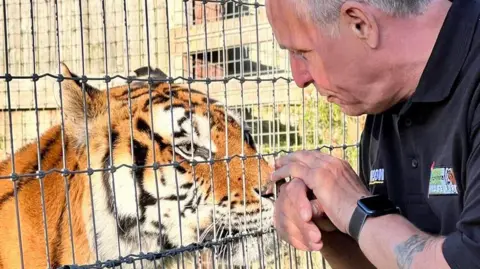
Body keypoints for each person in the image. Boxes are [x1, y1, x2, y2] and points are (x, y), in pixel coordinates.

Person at [264, 0, 480, 268]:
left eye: (302, 52)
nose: (299, 78)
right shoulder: (383, 106)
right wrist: (328, 225)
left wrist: (358, 209)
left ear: (360, 23)